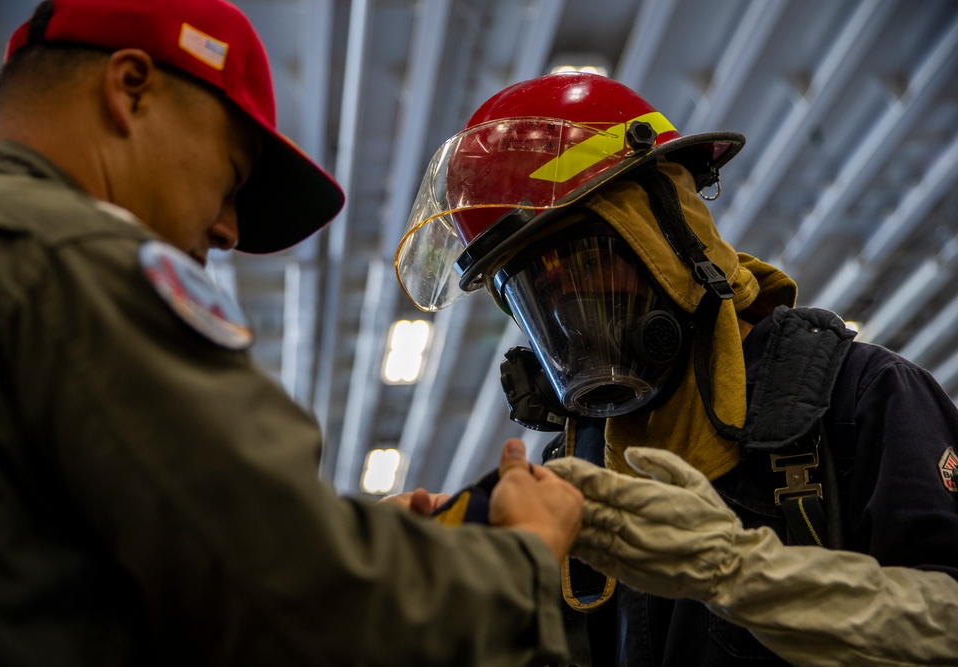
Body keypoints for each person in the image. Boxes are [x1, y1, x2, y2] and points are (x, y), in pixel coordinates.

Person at [0, 1, 584, 665]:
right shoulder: (66, 261)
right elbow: (304, 606)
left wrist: (347, 538)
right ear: (129, 89)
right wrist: (522, 558)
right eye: (231, 175)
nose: (227, 230)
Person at [395, 71, 958, 665]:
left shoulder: (858, 399)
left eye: (586, 269)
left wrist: (738, 574)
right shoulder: (577, 472)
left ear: (670, 234)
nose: (573, 316)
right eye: (543, 295)